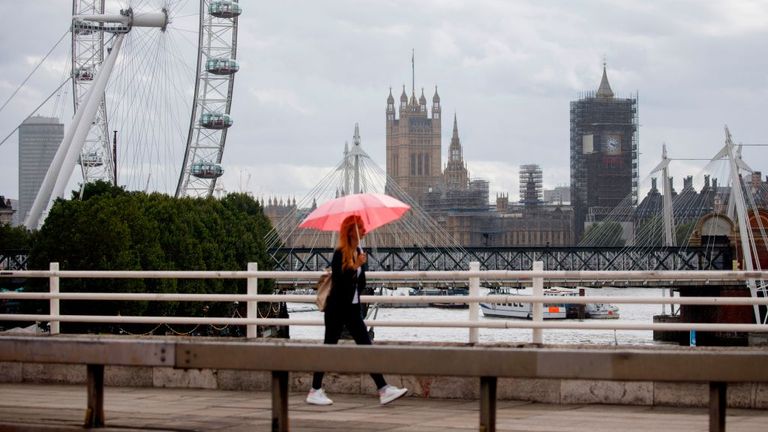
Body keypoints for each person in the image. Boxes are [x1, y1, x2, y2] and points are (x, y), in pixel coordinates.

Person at [306, 214, 408, 406]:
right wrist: (356, 266)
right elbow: (341, 282)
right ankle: (315, 390)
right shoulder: (339, 254)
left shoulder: (358, 251)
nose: (364, 230)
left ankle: (383, 389)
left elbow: (360, 284)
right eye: (360, 227)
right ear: (351, 231)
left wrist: (360, 265)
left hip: (352, 309)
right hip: (337, 309)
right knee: (328, 347)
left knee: (366, 347)